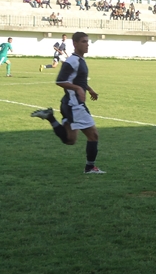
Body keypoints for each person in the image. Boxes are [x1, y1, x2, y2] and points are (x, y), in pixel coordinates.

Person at [31, 31, 105, 174]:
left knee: (70, 140)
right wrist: (78, 88)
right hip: (74, 104)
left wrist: (89, 89)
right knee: (93, 135)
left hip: (70, 103)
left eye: (87, 41)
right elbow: (60, 81)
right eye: (83, 41)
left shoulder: (80, 60)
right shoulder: (72, 61)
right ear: (75, 44)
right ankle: (90, 168)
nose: (87, 44)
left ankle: (50, 117)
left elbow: (78, 80)